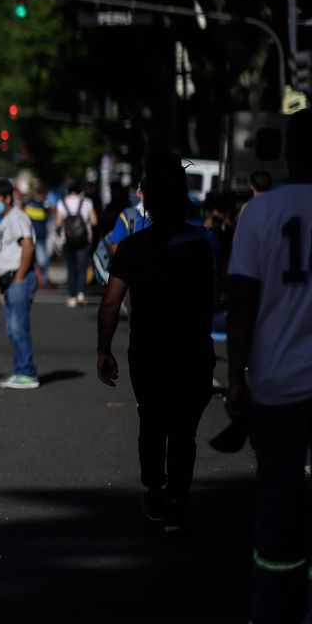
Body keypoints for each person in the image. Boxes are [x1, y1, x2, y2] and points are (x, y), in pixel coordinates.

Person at [225, 112, 312, 624]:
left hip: (279, 384)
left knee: (278, 502)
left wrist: (235, 376)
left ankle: (273, 617)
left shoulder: (261, 214)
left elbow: (240, 303)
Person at [96, 154, 217, 531]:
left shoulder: (133, 248)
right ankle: (178, 495)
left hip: (148, 350)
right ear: (185, 200)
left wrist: (104, 348)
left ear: (147, 202)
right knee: (184, 430)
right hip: (194, 349)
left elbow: (112, 301)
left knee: (151, 421)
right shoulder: (205, 243)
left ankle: (154, 487)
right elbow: (229, 290)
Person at [0, 178, 39, 390]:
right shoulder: (3, 220)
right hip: (8, 282)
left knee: (19, 327)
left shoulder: (16, 217)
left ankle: (27, 372)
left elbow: (27, 245)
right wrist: (2, 286)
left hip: (18, 279)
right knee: (12, 328)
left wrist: (19, 277)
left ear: (8, 198)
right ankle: (20, 370)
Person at [58, 180, 97, 306]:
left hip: (67, 240)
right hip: (84, 240)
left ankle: (72, 296)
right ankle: (81, 293)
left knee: (71, 268)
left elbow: (58, 223)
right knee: (82, 268)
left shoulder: (62, 203)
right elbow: (94, 221)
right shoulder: (87, 202)